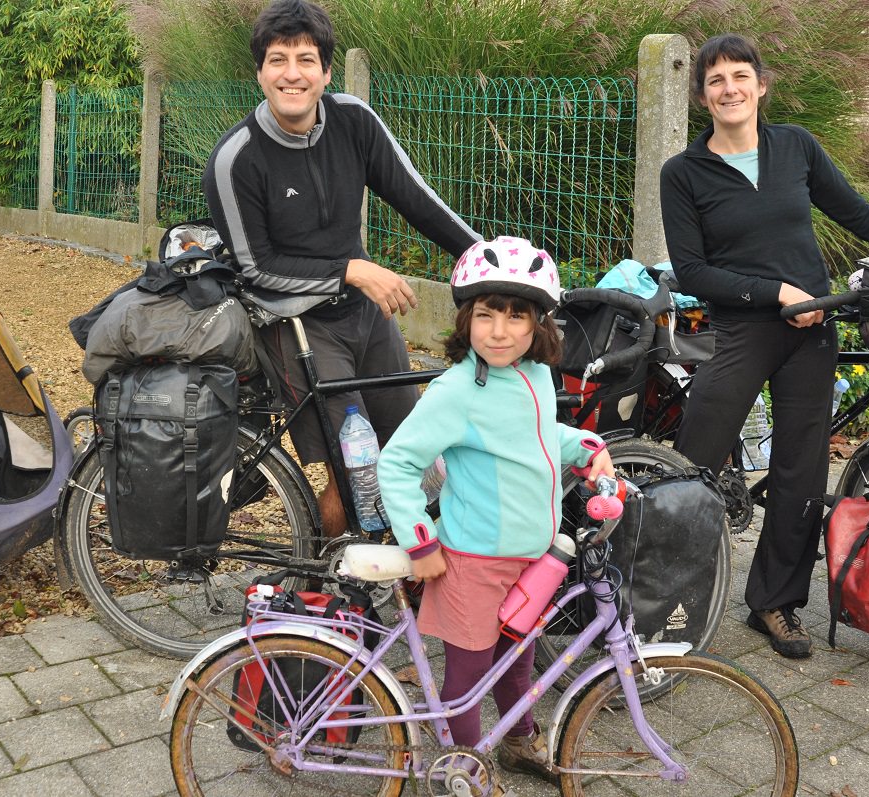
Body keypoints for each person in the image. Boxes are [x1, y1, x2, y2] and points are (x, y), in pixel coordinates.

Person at [659, 33, 869, 659]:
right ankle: (669, 599)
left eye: (739, 76)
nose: (729, 89)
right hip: (742, 328)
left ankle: (775, 604)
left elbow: (858, 215)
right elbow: (695, 272)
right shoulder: (683, 173)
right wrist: (774, 293)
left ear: (761, 84)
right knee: (693, 463)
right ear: (703, 96)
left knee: (801, 473)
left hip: (813, 330)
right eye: (715, 80)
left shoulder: (796, 148)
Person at [203, 0, 481, 537]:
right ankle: (329, 584)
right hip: (294, 327)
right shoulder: (236, 157)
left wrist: (489, 259)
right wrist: (349, 270)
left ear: (325, 71)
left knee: (414, 451)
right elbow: (253, 267)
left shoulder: (352, 119)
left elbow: (415, 199)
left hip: (365, 317)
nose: (292, 73)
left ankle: (405, 574)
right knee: (355, 464)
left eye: (306, 59)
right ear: (259, 70)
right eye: (278, 59)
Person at [378, 236, 615, 784]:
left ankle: (517, 741)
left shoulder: (531, 375)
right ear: (467, 320)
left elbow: (534, 438)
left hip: (531, 556)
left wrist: (581, 446)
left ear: (539, 326)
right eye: (486, 316)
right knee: (470, 672)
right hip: (471, 560)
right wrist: (420, 542)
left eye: (516, 317)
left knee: (519, 658)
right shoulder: (456, 390)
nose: (500, 331)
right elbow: (397, 463)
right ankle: (462, 767)